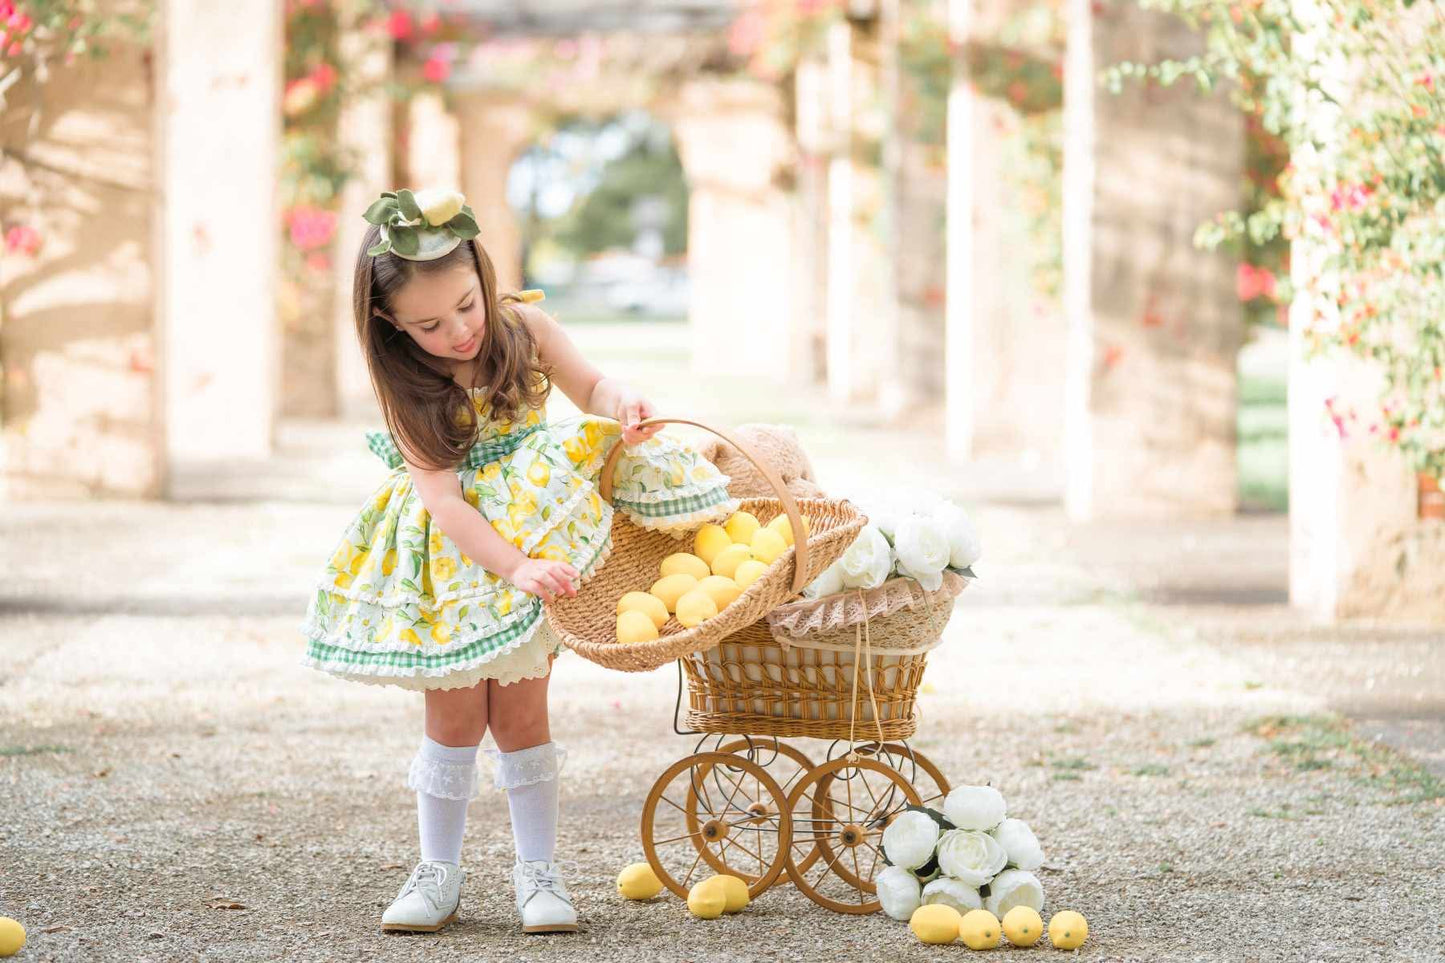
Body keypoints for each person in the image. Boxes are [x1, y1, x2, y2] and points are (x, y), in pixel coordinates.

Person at [300, 188, 737, 935]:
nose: (459, 331)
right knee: (455, 713)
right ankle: (437, 869)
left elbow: (591, 386)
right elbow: (444, 502)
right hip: (461, 559)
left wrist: (621, 399)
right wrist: (511, 567)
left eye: (467, 305)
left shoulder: (523, 328)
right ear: (388, 322)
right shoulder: (406, 384)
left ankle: (539, 872)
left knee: (524, 711)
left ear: (480, 269)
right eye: (430, 324)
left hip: (539, 538)